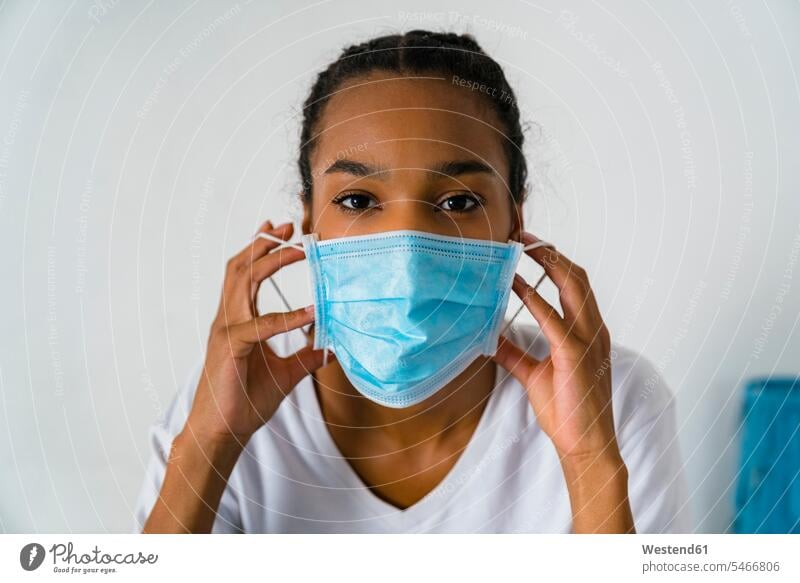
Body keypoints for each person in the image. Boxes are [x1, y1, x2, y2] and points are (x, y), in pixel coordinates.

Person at [133, 30, 692, 534]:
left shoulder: (615, 400)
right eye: (357, 200)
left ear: (514, 223)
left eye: (458, 201)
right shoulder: (222, 405)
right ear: (308, 224)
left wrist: (588, 453)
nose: (406, 247)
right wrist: (209, 442)